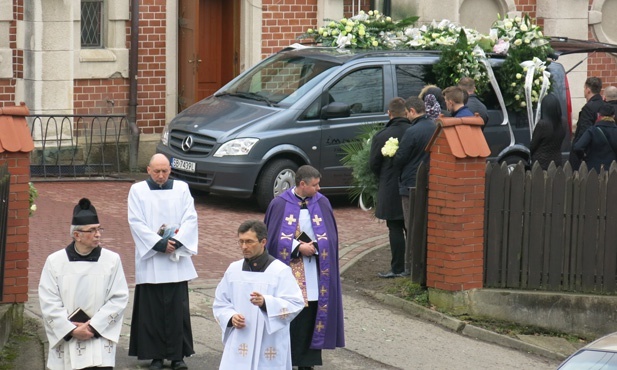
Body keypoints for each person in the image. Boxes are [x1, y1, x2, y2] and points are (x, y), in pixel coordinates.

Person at [264, 164, 345, 370]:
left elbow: (331, 238)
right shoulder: (279, 204)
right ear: (302, 184)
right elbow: (271, 240)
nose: (319, 189)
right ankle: (285, 360)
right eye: (315, 185)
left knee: (310, 317)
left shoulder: (322, 203)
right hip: (289, 272)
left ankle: (307, 363)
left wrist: (316, 247)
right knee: (291, 315)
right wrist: (297, 247)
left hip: (313, 273)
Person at [39, 198, 129, 370]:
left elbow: (119, 298)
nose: (98, 234)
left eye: (99, 229)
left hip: (98, 338)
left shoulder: (111, 260)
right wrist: (71, 330)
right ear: (76, 235)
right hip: (68, 339)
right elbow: (48, 300)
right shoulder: (55, 261)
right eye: (92, 230)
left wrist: (93, 327)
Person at [128, 153, 198, 370]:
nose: (160, 176)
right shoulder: (137, 190)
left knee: (177, 309)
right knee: (152, 310)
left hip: (175, 258)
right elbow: (135, 221)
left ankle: (178, 356)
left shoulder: (182, 188)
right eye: (156, 171)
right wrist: (158, 244)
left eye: (165, 171)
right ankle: (155, 355)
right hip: (151, 258)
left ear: (170, 170)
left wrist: (176, 241)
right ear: (148, 169)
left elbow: (190, 217)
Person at [213, 220, 304, 370]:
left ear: (263, 242)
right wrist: (230, 316)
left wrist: (266, 303)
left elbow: (295, 303)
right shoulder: (233, 270)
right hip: (240, 337)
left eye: (249, 242)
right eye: (241, 242)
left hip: (269, 342)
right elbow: (221, 302)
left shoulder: (280, 271)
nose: (244, 247)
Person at [369, 97, 411, 278]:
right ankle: (414, 265)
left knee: (394, 227)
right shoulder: (412, 131)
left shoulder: (382, 136)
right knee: (412, 227)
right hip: (411, 185)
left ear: (390, 113)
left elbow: (373, 164)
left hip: (390, 186)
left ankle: (397, 267)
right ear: (406, 112)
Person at [393, 96, 436, 230]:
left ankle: (412, 250)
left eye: (406, 113)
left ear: (412, 111)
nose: (406, 117)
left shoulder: (411, 131)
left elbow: (400, 158)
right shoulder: (435, 127)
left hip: (411, 182)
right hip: (431, 179)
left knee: (411, 223)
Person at [569, 77, 604, 170]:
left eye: (584, 88)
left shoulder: (588, 108)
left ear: (588, 90)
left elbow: (584, 131)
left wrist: (578, 150)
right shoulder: (605, 105)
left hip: (586, 155)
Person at [572, 103, 617, 172]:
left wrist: (584, 157)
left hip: (594, 170)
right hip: (613, 170)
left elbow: (578, 147)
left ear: (598, 115)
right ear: (613, 116)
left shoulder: (592, 131)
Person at [529, 93, 566, 170]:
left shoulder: (542, 125)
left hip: (541, 163)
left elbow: (533, 145)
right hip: (557, 161)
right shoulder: (563, 122)